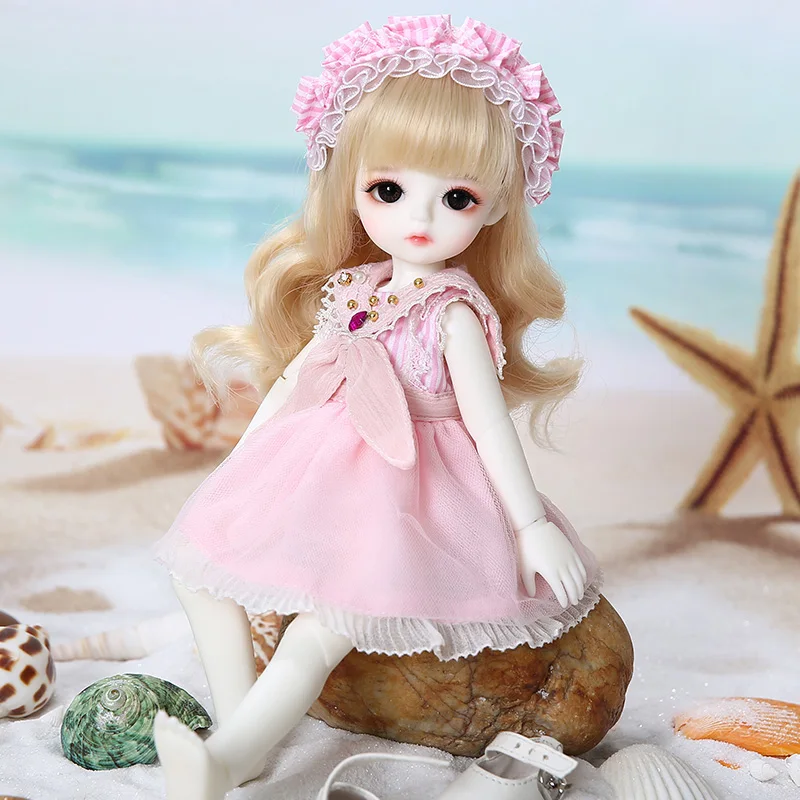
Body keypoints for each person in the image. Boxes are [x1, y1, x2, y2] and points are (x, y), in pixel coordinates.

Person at [152, 15, 602, 800]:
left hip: (414, 492)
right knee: (200, 574)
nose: (418, 219)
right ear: (350, 182)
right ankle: (237, 733)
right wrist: (240, 466)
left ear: (496, 205)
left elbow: (487, 424)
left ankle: (229, 761)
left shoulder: (453, 312)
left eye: (456, 197)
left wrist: (530, 525)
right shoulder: (354, 290)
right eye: (388, 190)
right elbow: (298, 382)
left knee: (327, 627)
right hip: (318, 464)